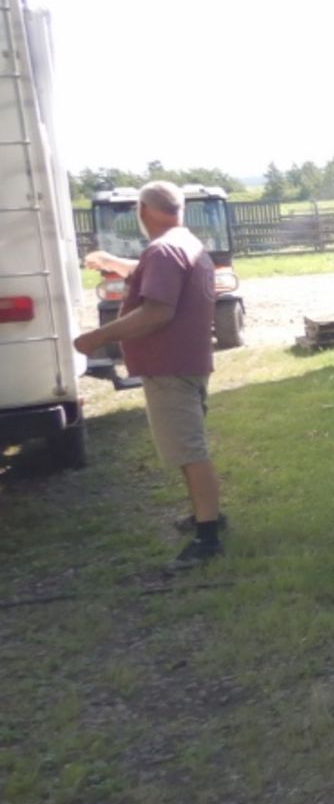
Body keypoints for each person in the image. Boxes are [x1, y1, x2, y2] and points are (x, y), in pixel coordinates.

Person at [75, 180, 225, 566]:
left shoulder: (163, 250)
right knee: (185, 446)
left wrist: (95, 338)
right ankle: (203, 516)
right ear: (181, 210)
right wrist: (113, 262)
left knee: (189, 450)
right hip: (186, 362)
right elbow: (155, 273)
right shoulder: (184, 243)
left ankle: (208, 535)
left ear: (142, 211)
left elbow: (158, 311)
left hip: (170, 366)